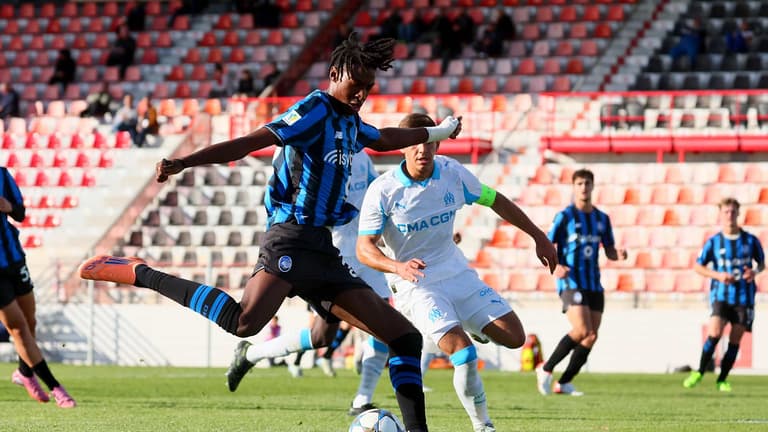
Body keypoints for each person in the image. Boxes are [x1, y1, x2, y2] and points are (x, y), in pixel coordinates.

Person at [78, 32, 463, 432]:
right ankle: (142, 274)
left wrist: (437, 133)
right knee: (243, 323)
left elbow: (384, 138)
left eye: (368, 88)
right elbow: (251, 142)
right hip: (290, 238)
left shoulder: (350, 122)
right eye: (355, 85)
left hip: (322, 248)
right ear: (334, 74)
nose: (360, 95)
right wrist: (185, 162)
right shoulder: (314, 109)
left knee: (404, 337)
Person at [356, 113, 557, 432]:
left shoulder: (452, 173)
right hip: (416, 285)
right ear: (402, 148)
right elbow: (363, 248)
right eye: (414, 142)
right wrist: (397, 267)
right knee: (463, 353)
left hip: (456, 272)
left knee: (515, 337)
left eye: (428, 142)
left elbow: (495, 201)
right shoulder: (384, 190)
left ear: (437, 143)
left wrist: (539, 236)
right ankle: (483, 426)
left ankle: (472, 324)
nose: (422, 149)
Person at [224, 150, 390, 384]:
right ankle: (252, 354)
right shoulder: (303, 149)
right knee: (322, 335)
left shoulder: (361, 154)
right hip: (331, 251)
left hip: (365, 248)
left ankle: (363, 399)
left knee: (384, 321)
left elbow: (379, 193)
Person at [536, 169, 628, 396]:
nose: (584, 187)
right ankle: (545, 369)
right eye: (579, 183)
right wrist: (555, 267)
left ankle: (564, 382)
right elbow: (546, 244)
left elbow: (608, 251)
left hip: (593, 283)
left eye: (587, 183)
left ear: (593, 186)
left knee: (591, 335)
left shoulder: (602, 219)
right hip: (571, 281)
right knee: (582, 329)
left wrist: (619, 254)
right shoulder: (565, 216)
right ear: (574, 187)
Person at [0, 167, 76, 408]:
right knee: (18, 327)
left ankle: (24, 372)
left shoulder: (2, 175)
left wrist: (8, 207)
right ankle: (57, 388)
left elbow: (21, 213)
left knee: (30, 322)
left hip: (14, 260)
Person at [683, 197, 764, 392]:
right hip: (721, 295)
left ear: (738, 213)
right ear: (720, 214)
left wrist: (754, 272)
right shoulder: (714, 242)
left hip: (744, 298)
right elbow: (698, 266)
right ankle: (700, 371)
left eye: (733, 212)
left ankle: (722, 379)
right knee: (715, 333)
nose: (730, 215)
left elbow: (761, 264)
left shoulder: (750, 240)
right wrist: (718, 275)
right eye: (726, 212)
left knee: (735, 339)